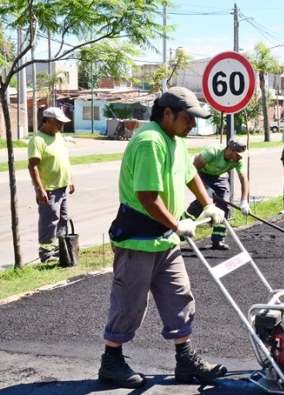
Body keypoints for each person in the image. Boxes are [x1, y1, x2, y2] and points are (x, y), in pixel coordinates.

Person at [100, 87, 227, 388]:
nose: (192, 125)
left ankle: (185, 360)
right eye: (188, 118)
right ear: (167, 114)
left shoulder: (175, 140)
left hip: (165, 240)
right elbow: (147, 197)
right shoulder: (150, 141)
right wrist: (178, 224)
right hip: (137, 240)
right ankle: (111, 362)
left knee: (179, 298)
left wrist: (208, 203)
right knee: (129, 304)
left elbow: (190, 174)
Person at [183, 140, 250, 250]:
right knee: (202, 202)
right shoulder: (212, 152)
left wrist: (244, 201)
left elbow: (244, 180)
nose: (240, 158)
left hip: (220, 176)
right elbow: (192, 170)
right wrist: (206, 189)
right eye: (238, 155)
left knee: (224, 204)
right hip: (201, 174)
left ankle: (218, 239)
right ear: (229, 150)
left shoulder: (238, 160)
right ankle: (181, 228)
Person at [28, 107, 74, 263]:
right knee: (50, 220)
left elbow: (64, 159)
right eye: (58, 122)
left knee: (63, 218)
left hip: (63, 185)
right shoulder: (37, 140)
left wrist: (71, 179)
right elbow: (32, 166)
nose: (61, 125)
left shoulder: (58, 136)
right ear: (48, 120)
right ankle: (47, 254)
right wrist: (39, 189)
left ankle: (60, 250)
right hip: (49, 189)